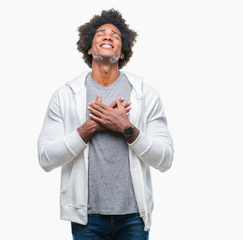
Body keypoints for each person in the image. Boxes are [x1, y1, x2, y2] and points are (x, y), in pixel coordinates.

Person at [37, 8, 174, 240]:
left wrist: (126, 128)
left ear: (122, 53)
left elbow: (165, 159)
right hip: (87, 218)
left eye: (116, 35)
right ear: (89, 48)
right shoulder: (66, 96)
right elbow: (46, 158)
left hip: (134, 216)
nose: (108, 36)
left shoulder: (145, 95)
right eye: (101, 33)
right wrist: (90, 126)